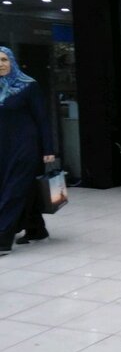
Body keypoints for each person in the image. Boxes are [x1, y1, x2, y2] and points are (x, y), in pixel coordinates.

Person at [0, 47, 56, 255]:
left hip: (25, 146)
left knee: (12, 190)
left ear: (12, 61)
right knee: (23, 188)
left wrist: (48, 148)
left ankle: (3, 238)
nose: (1, 64)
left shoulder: (28, 85)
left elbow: (42, 118)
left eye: (4, 60)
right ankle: (36, 228)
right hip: (3, 147)